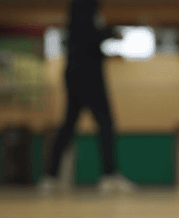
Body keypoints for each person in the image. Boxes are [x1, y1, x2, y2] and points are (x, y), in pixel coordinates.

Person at [39, 0, 135, 194]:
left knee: (69, 124)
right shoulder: (84, 5)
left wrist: (104, 52)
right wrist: (112, 33)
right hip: (86, 75)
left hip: (78, 72)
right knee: (105, 123)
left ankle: (51, 176)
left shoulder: (85, 8)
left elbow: (83, 43)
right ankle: (109, 175)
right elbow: (86, 37)